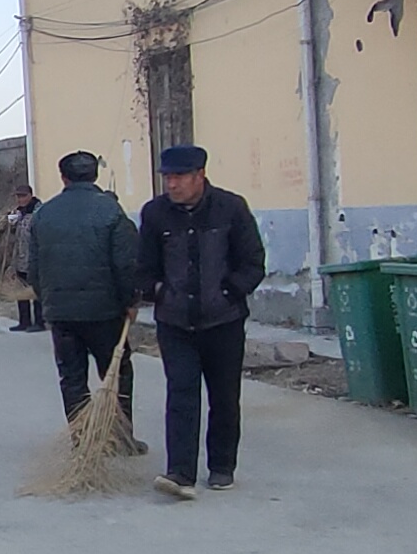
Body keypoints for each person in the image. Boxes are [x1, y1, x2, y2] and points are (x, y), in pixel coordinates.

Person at [133, 142, 266, 497]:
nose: (172, 184)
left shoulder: (231, 208)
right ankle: (180, 473)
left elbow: (253, 262)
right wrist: (157, 291)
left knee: (224, 397)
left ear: (200, 175)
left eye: (179, 177)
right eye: (167, 177)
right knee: (181, 394)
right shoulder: (155, 214)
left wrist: (230, 291)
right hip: (175, 322)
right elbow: (143, 266)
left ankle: (222, 466)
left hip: (224, 321)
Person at [29, 151, 138, 427]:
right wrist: (130, 301)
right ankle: (119, 435)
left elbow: (34, 269)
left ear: (63, 177)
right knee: (116, 373)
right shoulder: (111, 210)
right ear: (95, 175)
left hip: (61, 313)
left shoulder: (44, 214)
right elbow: (126, 264)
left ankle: (81, 437)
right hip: (105, 312)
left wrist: (49, 300)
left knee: (72, 378)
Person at [6, 185, 44, 332]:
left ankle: (40, 322)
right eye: (18, 196)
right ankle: (24, 321)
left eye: (23, 196)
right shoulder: (18, 213)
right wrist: (11, 224)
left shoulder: (39, 212)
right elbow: (14, 237)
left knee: (36, 292)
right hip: (20, 258)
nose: (20, 199)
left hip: (35, 259)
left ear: (30, 195)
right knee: (21, 292)